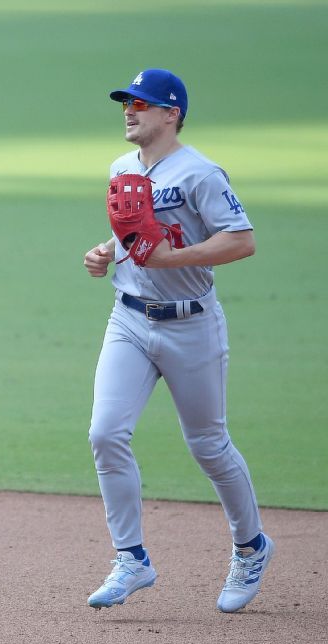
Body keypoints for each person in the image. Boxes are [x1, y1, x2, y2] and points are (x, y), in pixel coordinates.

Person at [83, 69, 272, 613]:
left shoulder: (201, 173)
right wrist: (103, 253)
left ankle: (252, 545)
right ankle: (131, 558)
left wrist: (172, 259)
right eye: (126, 102)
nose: (129, 109)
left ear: (172, 114)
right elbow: (134, 239)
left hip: (191, 325)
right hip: (129, 322)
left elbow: (242, 241)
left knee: (208, 445)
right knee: (104, 433)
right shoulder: (121, 167)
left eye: (142, 103)